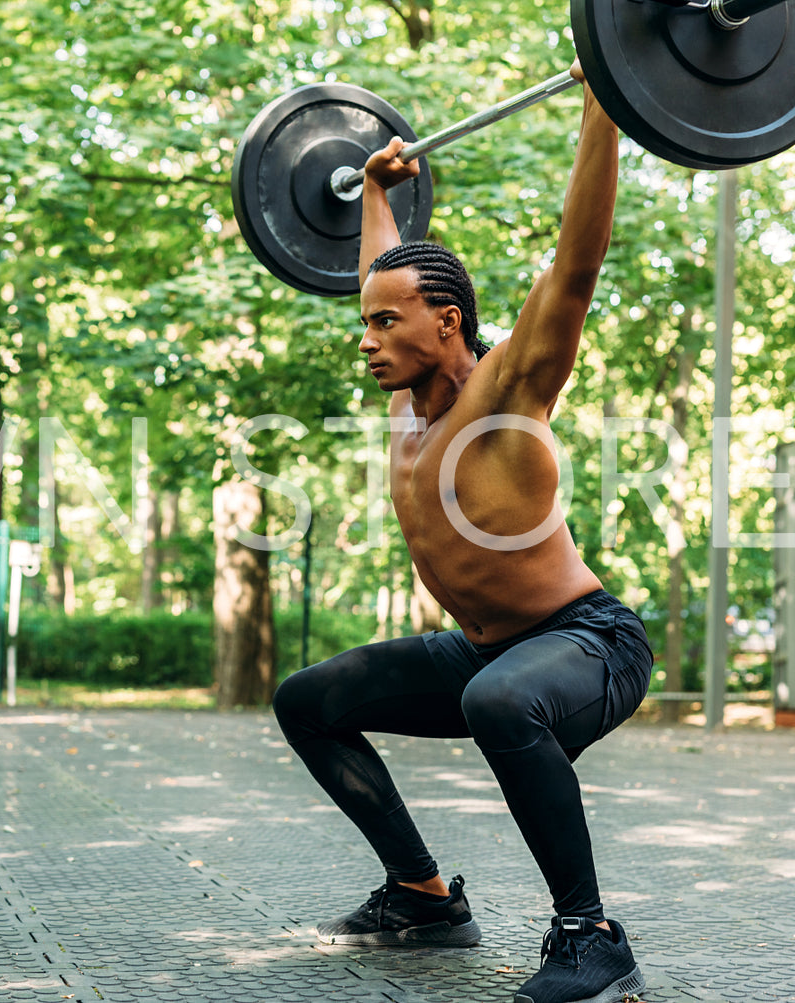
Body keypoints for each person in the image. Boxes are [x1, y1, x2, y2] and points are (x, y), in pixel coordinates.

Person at [271, 63, 653, 1003]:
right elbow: (383, 270)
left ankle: (588, 933)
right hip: (481, 651)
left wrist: (604, 104)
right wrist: (374, 190)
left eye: (382, 324)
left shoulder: (507, 396)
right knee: (307, 699)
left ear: (446, 324)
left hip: (586, 644)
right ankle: (423, 896)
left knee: (501, 703)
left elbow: (575, 264)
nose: (363, 337)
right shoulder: (408, 397)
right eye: (364, 322)